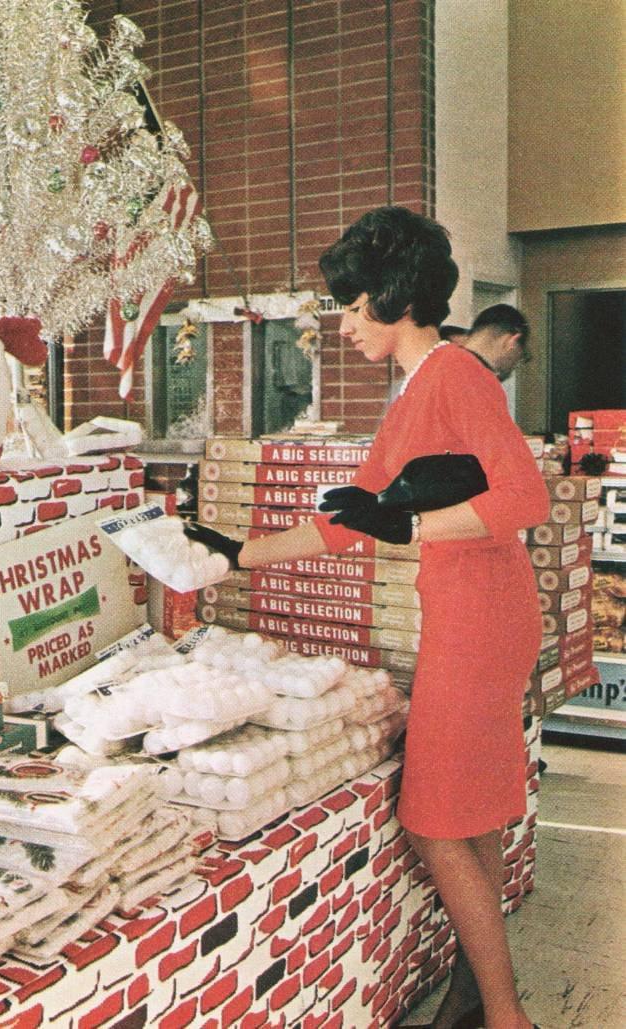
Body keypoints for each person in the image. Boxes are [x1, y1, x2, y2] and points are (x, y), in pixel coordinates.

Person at [186, 206, 548, 1029]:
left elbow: (523, 497)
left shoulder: (456, 374)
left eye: (352, 306)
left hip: (481, 615)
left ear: (391, 299)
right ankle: (474, 989)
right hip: (467, 606)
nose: (344, 323)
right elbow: (350, 522)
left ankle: (508, 1016)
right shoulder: (417, 388)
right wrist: (239, 551)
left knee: (431, 822)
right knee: (473, 811)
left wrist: (412, 524)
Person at [462, 303, 531, 381]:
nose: (514, 366)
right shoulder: (485, 385)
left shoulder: (446, 355)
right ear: (512, 342)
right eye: (520, 357)